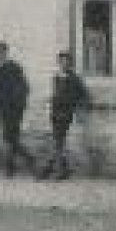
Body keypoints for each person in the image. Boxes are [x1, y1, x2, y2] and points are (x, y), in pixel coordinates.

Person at [39, 50, 90, 181]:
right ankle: (62, 169)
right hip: (55, 113)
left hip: (66, 113)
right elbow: (57, 94)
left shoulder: (74, 79)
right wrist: (51, 100)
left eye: (66, 61)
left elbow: (84, 95)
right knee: (58, 141)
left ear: (70, 63)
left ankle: (52, 169)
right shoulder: (56, 77)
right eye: (61, 61)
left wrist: (79, 109)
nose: (63, 63)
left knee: (58, 141)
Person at [0, 41, 36, 178]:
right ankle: (25, 159)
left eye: (0, 52)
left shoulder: (14, 67)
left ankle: (12, 166)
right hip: (3, 107)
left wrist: (17, 102)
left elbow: (24, 87)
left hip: (15, 107)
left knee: (11, 136)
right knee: (8, 136)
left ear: (6, 52)